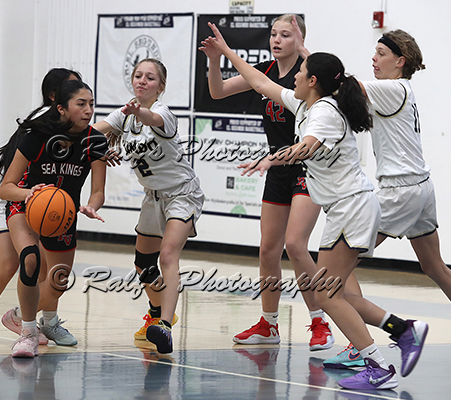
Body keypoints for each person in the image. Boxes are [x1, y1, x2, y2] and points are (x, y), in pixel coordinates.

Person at [202, 23, 398, 390]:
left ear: (312, 81)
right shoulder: (305, 103)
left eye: (302, 72)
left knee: (327, 291)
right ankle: (393, 337)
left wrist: (271, 159)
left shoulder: (324, 112)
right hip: (346, 210)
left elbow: (306, 147)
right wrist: (226, 53)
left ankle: (381, 358)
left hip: (353, 209)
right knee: (331, 291)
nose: (294, 76)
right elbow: (260, 83)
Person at [324, 29, 451, 372]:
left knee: (335, 272)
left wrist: (310, 64)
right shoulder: (398, 90)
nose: (373, 58)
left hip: (398, 193)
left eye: (381, 53)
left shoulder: (392, 88)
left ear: (400, 61)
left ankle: (360, 344)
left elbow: (342, 85)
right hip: (421, 188)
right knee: (434, 266)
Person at [200, 14, 333, 351]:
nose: (276, 40)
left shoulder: (309, 74)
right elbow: (217, 91)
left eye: (285, 35)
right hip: (277, 165)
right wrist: (214, 60)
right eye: (273, 33)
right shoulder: (266, 70)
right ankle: (269, 324)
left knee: (296, 245)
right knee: (268, 250)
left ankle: (320, 321)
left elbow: (331, 87)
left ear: (299, 39)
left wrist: (304, 50)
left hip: (307, 166)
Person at [93, 58, 204, 354]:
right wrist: (86, 143)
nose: (142, 80)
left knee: (167, 255)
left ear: (160, 87)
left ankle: (165, 327)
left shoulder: (162, 113)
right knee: (143, 264)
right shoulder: (124, 116)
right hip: (152, 196)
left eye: (150, 77)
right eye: (138, 75)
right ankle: (155, 315)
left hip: (182, 193)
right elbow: (92, 133)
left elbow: (151, 119)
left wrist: (138, 111)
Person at [0, 68, 82, 346]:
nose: (79, 95)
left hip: (32, 194)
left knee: (44, 264)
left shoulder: (72, 122)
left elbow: (90, 138)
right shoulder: (45, 120)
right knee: (11, 261)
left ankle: (48, 322)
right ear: (55, 97)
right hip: (2, 189)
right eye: (72, 89)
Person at [0, 79, 108, 357]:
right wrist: (28, 193)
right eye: (81, 104)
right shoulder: (37, 136)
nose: (88, 110)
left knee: (58, 281)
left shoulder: (95, 141)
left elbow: (98, 191)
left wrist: (92, 206)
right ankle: (27, 333)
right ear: (61, 108)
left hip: (63, 214)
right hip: (25, 205)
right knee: (30, 259)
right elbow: (6, 188)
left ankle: (18, 315)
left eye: (91, 104)